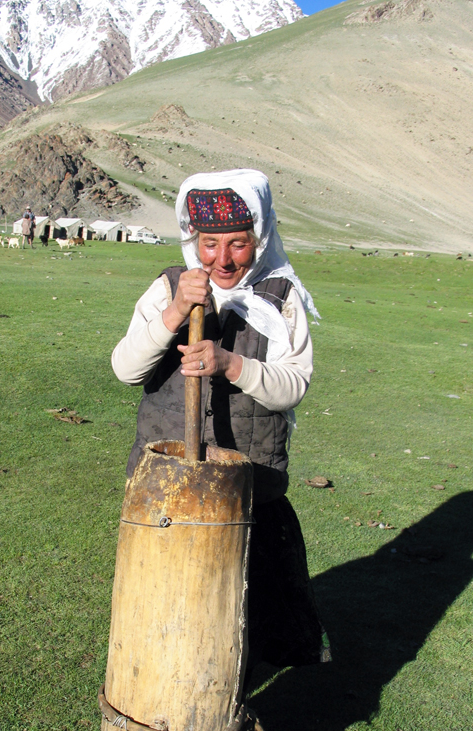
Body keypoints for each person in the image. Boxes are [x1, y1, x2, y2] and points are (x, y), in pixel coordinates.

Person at [112, 169, 329, 684]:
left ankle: (230, 713)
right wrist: (174, 313)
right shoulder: (169, 287)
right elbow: (126, 369)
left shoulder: (280, 296)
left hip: (247, 491)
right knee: (165, 609)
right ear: (193, 238)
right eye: (210, 244)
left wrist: (231, 364)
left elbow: (293, 386)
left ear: (261, 237)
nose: (223, 260)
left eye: (238, 243)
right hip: (168, 490)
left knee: (236, 619)